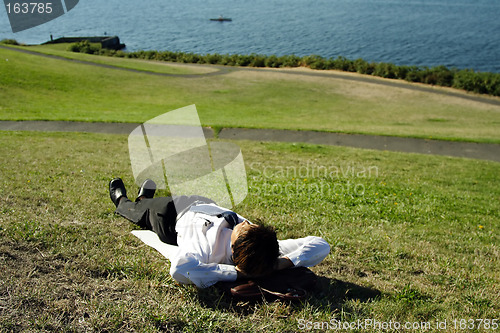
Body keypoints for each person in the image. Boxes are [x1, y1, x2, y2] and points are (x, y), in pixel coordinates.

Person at [109, 178, 330, 288]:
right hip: (204, 204)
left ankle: (125, 200)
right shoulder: (266, 249)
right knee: (153, 202)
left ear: (236, 247)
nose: (248, 224)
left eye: (246, 230)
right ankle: (145, 198)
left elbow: (180, 270)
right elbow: (320, 244)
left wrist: (237, 274)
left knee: (137, 211)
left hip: (170, 215)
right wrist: (282, 263)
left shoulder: (206, 252)